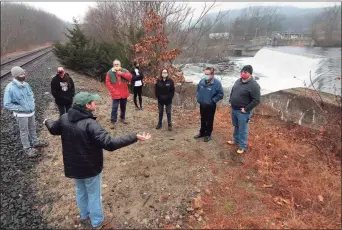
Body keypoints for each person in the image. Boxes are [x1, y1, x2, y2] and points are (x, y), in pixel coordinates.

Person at [43, 92, 151, 229]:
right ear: (87, 105)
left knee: (80, 191)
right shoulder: (90, 124)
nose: (96, 103)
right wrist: (134, 136)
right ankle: (97, 222)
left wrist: (46, 121)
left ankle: (84, 215)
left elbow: (53, 128)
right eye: (93, 102)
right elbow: (110, 143)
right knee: (94, 195)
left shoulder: (64, 118)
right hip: (90, 168)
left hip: (73, 168)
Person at [3, 66, 49, 157]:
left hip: (31, 112)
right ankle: (27, 148)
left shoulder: (26, 84)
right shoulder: (10, 88)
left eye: (23, 73)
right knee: (24, 131)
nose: (23, 75)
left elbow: (31, 95)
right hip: (21, 115)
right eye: (21, 74)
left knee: (32, 127)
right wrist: (21, 108)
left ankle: (35, 142)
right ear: (15, 76)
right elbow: (7, 104)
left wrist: (32, 105)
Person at [228, 65, 260, 154]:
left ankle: (242, 146)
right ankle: (235, 140)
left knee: (243, 129)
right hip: (234, 109)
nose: (242, 73)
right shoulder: (238, 81)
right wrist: (231, 100)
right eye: (242, 71)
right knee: (236, 126)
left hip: (242, 112)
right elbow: (233, 91)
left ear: (250, 73)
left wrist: (246, 109)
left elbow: (256, 100)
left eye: (245, 72)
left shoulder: (254, 85)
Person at [194, 67, 224, 142]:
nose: (206, 75)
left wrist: (213, 101)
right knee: (203, 119)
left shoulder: (217, 83)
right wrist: (198, 98)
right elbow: (198, 90)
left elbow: (220, 94)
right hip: (202, 104)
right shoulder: (202, 81)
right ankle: (202, 132)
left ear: (212, 74)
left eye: (208, 74)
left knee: (209, 120)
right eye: (205, 74)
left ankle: (208, 134)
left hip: (210, 105)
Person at [105, 59, 133, 127]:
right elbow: (107, 82)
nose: (116, 65)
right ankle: (113, 121)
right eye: (115, 64)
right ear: (113, 65)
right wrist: (113, 91)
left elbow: (130, 77)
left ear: (120, 65)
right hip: (115, 94)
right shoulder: (110, 72)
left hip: (124, 93)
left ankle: (122, 118)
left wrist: (121, 74)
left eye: (117, 64)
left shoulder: (124, 70)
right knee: (114, 107)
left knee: (123, 107)